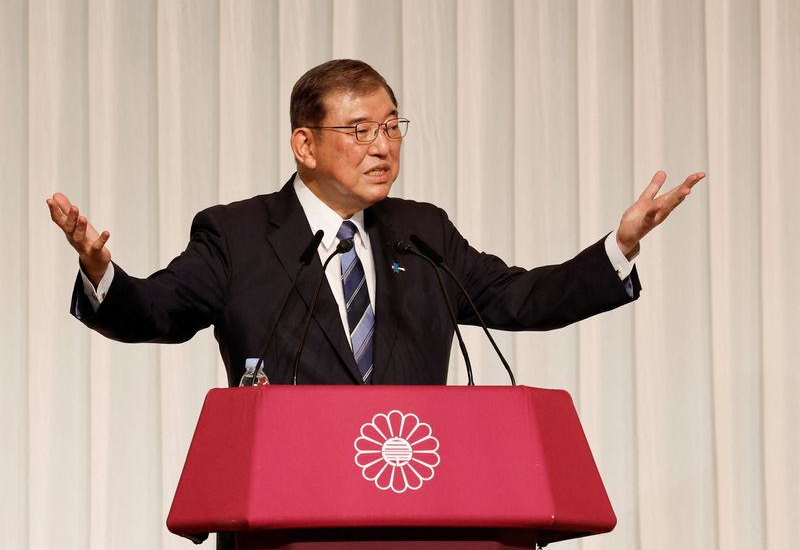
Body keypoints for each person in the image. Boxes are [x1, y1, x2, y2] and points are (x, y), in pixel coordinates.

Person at [47, 58, 704, 388]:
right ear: (305, 145)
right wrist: (102, 271)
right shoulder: (237, 235)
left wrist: (620, 245)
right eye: (360, 130)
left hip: (415, 504)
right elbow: (157, 311)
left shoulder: (422, 232)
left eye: (392, 127)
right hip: (286, 511)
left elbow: (519, 299)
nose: (384, 146)